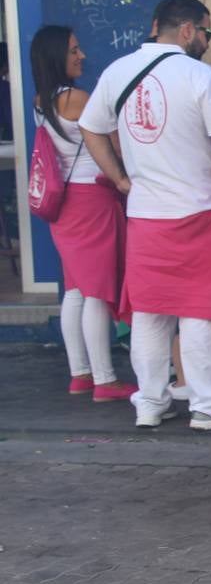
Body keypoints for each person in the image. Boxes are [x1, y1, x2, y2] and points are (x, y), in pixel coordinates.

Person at [78, 0, 211, 429]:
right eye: (207, 32)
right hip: (198, 212)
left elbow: (91, 127)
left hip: (146, 214)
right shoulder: (198, 75)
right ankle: (208, 405)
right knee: (199, 310)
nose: (208, 41)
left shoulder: (117, 72)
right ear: (188, 30)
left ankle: (150, 403)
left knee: (151, 314)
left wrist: (119, 178)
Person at [30, 25, 135, 403]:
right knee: (95, 290)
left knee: (75, 288)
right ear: (58, 55)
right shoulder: (77, 98)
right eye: (74, 50)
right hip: (92, 198)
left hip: (64, 204)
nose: (82, 56)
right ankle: (105, 381)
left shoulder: (42, 98)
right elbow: (112, 143)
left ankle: (80, 374)